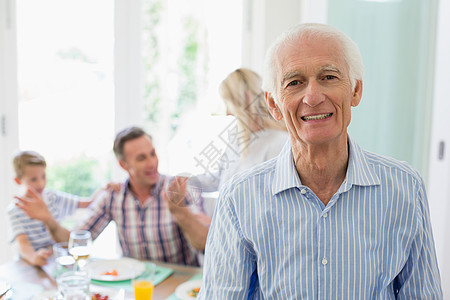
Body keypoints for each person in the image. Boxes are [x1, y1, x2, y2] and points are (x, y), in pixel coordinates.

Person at [198, 23, 443, 299]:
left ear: (356, 91)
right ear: (274, 104)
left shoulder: (405, 188)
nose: (313, 97)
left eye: (328, 77)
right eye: (294, 82)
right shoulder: (238, 199)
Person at [16, 126, 210, 266]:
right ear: (124, 165)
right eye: (141, 158)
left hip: (180, 285)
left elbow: (204, 244)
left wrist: (180, 213)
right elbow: (75, 242)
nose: (152, 163)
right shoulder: (114, 197)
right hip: (135, 286)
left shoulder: (178, 188)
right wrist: (49, 220)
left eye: (152, 153)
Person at [190, 68, 288, 193]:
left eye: (230, 104)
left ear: (247, 99)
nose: (227, 113)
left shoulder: (279, 143)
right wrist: (186, 181)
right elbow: (218, 180)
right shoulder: (238, 137)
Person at [7, 150, 98, 267]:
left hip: (56, 260)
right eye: (33, 179)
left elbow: (89, 202)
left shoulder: (52, 197)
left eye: (43, 177)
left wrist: (105, 188)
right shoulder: (15, 210)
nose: (40, 183)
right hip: (30, 264)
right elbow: (22, 244)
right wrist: (34, 257)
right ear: (18, 180)